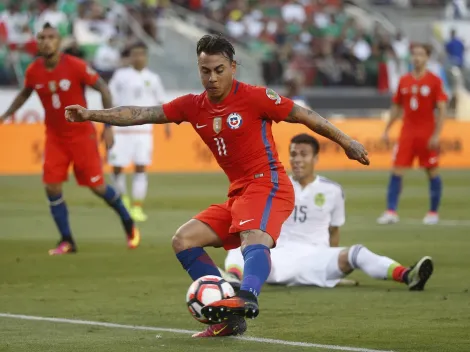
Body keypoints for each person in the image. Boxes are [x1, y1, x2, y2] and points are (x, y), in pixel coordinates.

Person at [65, 34, 369, 337]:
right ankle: (228, 315)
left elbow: (305, 115)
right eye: (205, 71)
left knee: (253, 237)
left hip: (269, 184)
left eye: (219, 70)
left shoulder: (255, 97)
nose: (211, 78)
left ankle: (247, 296)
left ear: (233, 67)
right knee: (183, 240)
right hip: (239, 193)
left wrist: (347, 141)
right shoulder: (192, 106)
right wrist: (91, 114)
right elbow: (140, 113)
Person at [222, 134, 433, 292]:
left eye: (303, 155)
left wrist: (334, 266)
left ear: (316, 158)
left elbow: (334, 232)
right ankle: (232, 281)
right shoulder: (275, 184)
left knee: (356, 252)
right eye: (293, 154)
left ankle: (407, 275)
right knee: (241, 248)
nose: (297, 160)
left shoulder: (332, 190)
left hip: (316, 257)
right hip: (277, 256)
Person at [0, 23, 140, 255]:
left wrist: (108, 125)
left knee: (98, 187)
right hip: (55, 137)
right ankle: (67, 240)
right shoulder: (34, 70)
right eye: (42, 37)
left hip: (81, 136)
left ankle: (127, 222)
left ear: (59, 41)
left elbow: (103, 89)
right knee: (52, 187)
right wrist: (6, 115)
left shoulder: (75, 66)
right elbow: (26, 92)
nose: (46, 41)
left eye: (51, 37)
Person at [377, 43, 447, 225]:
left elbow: (442, 109)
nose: (417, 58)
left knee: (432, 171)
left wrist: (436, 135)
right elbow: (396, 107)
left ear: (427, 58)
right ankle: (391, 211)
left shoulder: (434, 81)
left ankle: (433, 212)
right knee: (397, 170)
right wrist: (386, 129)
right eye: (414, 54)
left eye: (421, 54)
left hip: (427, 133)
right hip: (407, 132)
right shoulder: (404, 81)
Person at [108, 42, 170, 221]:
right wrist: (107, 125)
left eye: (141, 54)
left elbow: (161, 102)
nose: (138, 58)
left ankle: (137, 207)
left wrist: (166, 124)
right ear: (130, 57)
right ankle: (123, 200)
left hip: (144, 131)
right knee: (117, 167)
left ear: (146, 57)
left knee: (141, 167)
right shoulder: (120, 75)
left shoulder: (153, 78)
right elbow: (109, 98)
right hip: (121, 130)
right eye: (134, 54)